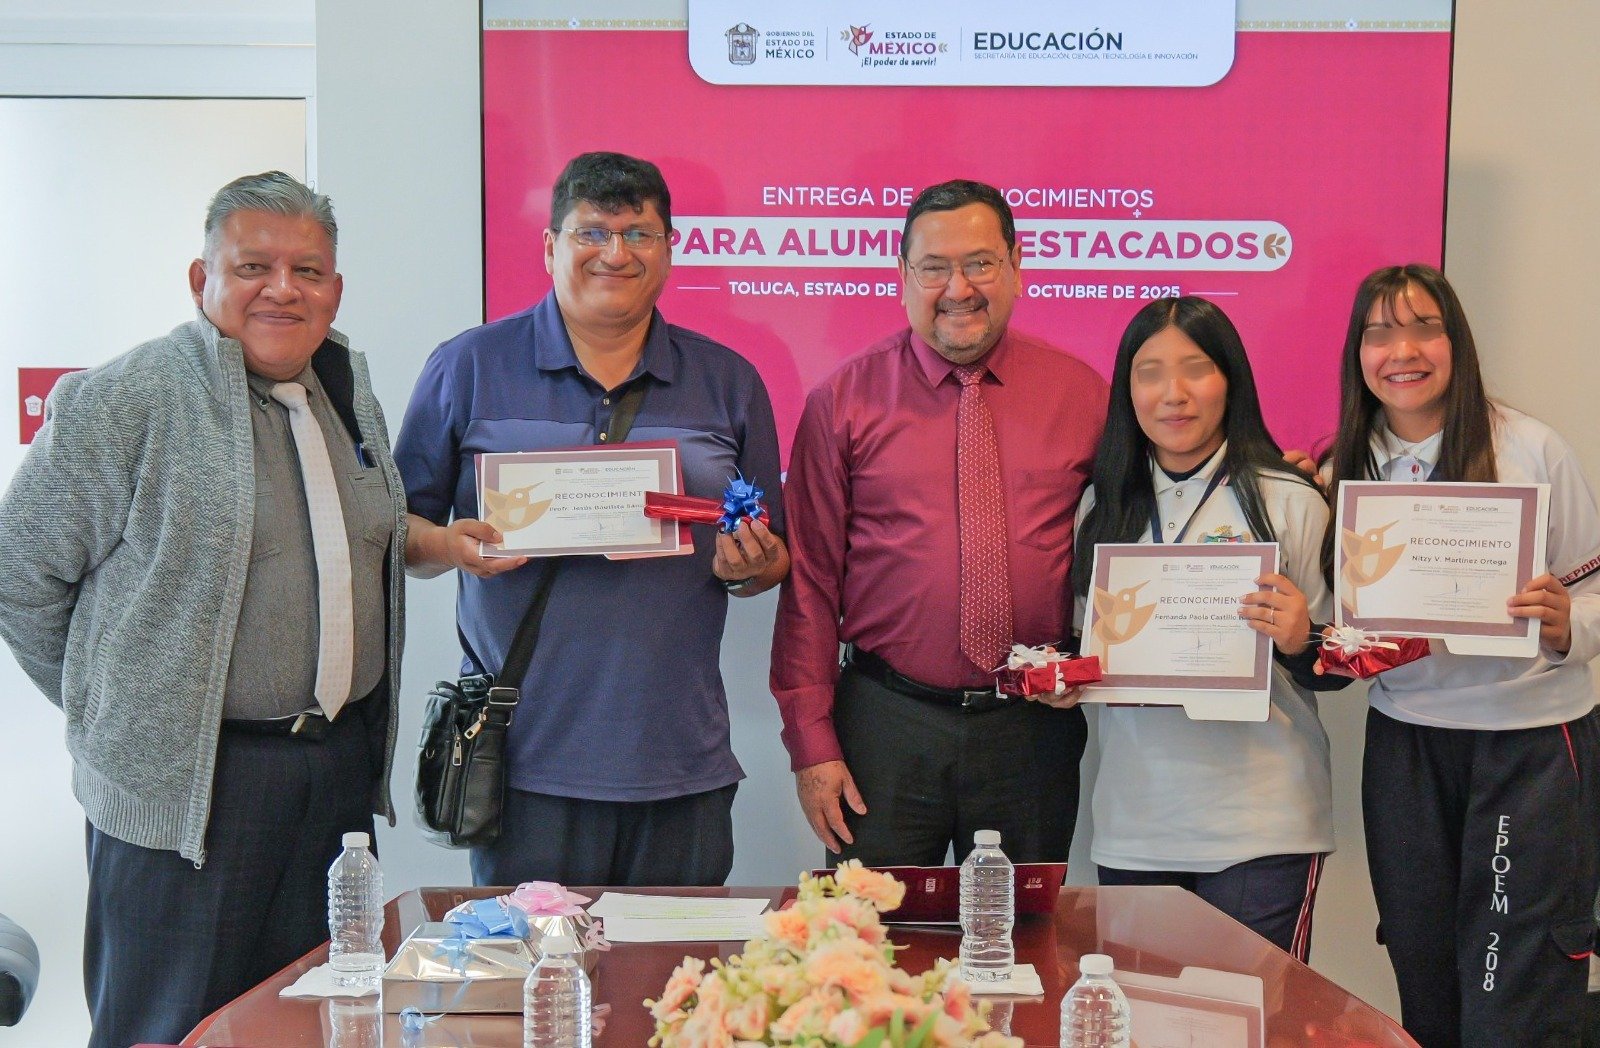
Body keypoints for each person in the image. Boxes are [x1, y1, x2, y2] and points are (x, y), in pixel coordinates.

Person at [0, 171, 406, 1048]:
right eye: (254, 265)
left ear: (336, 287)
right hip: (193, 795)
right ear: (201, 279)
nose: (283, 288)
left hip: (330, 777)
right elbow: (17, 572)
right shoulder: (127, 399)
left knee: (314, 1025)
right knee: (169, 1030)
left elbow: (340, 537)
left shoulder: (346, 388)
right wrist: (120, 711)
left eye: (308, 269)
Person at [396, 151, 788, 887]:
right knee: (534, 995)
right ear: (549, 248)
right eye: (592, 232)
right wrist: (452, 543)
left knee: (677, 995)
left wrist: (752, 567)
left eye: (639, 234)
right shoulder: (468, 366)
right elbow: (398, 538)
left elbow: (773, 556)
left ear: (670, 250)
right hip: (524, 767)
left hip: (680, 766)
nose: (616, 252)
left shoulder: (729, 379)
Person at [771, 179, 1107, 866]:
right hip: (884, 727)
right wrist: (812, 743)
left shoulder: (1083, 395)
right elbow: (808, 582)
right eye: (934, 268)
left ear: (1017, 267)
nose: (959, 287)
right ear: (901, 277)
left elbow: (1147, 525)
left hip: (1031, 728)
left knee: (1025, 949)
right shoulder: (844, 401)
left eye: (980, 263)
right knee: (872, 956)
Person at [1321, 263, 1600, 1047]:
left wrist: (1563, 623)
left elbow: (1593, 592)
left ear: (1457, 343)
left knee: (1519, 972)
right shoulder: (1344, 463)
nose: (1401, 350)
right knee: (1423, 957)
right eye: (1379, 332)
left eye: (1422, 327)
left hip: (1533, 745)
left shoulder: (1532, 449)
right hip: (1407, 738)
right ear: (1357, 352)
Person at [1058, 296, 1335, 960]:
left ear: (1231, 381)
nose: (1173, 393)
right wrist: (1064, 681)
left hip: (1262, 824)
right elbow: (1088, 651)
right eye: (1150, 372)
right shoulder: (1102, 506)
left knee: (1254, 1024)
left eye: (1196, 369)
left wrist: (1303, 638)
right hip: (1136, 820)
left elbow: (1339, 662)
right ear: (1127, 389)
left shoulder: (1289, 499)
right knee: (1146, 1022)